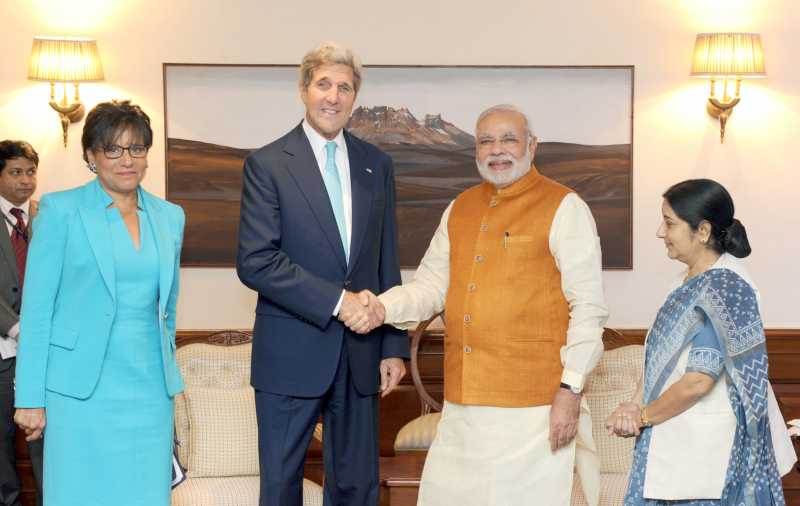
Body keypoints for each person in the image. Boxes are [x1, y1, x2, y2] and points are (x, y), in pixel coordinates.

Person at [373, 104, 608, 506]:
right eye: (486, 141)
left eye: (509, 139)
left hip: (534, 408)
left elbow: (588, 307)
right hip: (463, 403)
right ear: (476, 152)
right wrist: (378, 307)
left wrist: (570, 390)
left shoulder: (565, 206)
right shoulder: (459, 207)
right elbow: (430, 286)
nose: (497, 150)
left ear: (532, 146)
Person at [236, 42, 408, 506]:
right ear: (303, 89)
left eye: (345, 87)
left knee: (356, 486)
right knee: (280, 487)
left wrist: (393, 345)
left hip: (361, 356)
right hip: (290, 355)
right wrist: (339, 301)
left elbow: (385, 260)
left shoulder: (377, 165)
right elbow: (256, 260)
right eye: (324, 84)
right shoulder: (267, 164)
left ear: (355, 98)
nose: (333, 97)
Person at [13, 100, 186, 506]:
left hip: (149, 390)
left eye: (136, 148)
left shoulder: (170, 216)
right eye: (113, 149)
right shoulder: (61, 210)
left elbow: (169, 311)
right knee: (79, 494)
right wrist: (30, 399)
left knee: (144, 495)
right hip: (78, 392)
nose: (126, 160)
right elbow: (37, 312)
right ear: (91, 155)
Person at [607, 179, 788, 505]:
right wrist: (634, 404)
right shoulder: (685, 282)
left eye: (669, 222)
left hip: (706, 450)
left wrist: (643, 416)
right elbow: (659, 359)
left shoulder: (727, 288)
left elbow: (698, 381)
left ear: (702, 231)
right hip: (667, 432)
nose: (661, 232)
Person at [0, 141, 43, 506]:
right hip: (3, 351)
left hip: (44, 355)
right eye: (16, 172)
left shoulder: (44, 219)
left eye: (30, 172)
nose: (26, 180)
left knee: (46, 445)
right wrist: (16, 328)